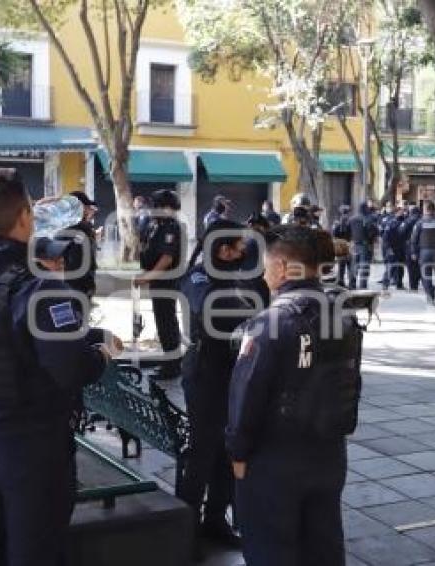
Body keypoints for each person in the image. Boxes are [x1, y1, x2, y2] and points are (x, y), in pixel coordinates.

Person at [0, 169, 118, 566]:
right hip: (31, 444)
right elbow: (69, 370)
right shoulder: (42, 287)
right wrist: (102, 352)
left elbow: (6, 337)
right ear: (25, 216)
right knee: (35, 549)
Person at [227, 225, 362, 566]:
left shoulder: (270, 323)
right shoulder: (343, 315)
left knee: (270, 549)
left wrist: (238, 455)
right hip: (330, 453)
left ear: (283, 268)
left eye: (267, 263)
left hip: (275, 460)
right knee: (323, 548)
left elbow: (246, 397)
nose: (262, 270)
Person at [177, 219, 261, 554]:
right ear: (222, 251)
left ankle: (215, 519)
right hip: (205, 375)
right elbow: (210, 307)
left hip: (232, 373)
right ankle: (186, 529)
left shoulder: (236, 276)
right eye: (239, 245)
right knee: (202, 452)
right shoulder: (198, 276)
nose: (244, 251)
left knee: (227, 450)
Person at [135, 189, 184, 380]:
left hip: (166, 281)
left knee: (167, 322)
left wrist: (147, 277)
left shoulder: (170, 227)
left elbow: (167, 258)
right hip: (158, 280)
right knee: (163, 321)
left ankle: (172, 365)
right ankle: (169, 360)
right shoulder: (157, 224)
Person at [60, 190, 100, 300]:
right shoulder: (79, 228)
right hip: (77, 285)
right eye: (86, 207)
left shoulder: (65, 225)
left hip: (74, 284)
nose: (88, 210)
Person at [411, 201, 435, 305]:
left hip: (424, 253)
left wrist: (414, 252)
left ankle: (430, 298)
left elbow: (414, 239)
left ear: (426, 210)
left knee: (426, 276)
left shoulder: (420, 223)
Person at [348, 202, 377, 289]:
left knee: (354, 265)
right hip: (365, 245)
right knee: (364, 266)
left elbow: (347, 230)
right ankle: (363, 285)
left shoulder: (352, 219)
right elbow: (371, 232)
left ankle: (352, 284)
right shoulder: (367, 219)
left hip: (354, 244)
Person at [381, 207, 406, 291]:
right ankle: (385, 284)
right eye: (401, 212)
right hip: (392, 248)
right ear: (396, 213)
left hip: (401, 248)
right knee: (390, 267)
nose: (402, 213)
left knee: (400, 267)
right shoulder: (391, 223)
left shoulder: (404, 222)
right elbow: (386, 237)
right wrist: (388, 248)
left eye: (403, 212)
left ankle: (399, 284)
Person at [399, 204, 422, 291]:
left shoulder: (408, 221)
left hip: (410, 245)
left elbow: (401, 232)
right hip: (421, 246)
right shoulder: (422, 220)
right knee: (419, 265)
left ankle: (413, 285)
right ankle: (419, 279)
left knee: (411, 266)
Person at [331, 204, 352, 287]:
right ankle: (351, 283)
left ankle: (341, 282)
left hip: (340, 246)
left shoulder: (336, 223)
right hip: (349, 245)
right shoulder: (351, 221)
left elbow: (334, 234)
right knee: (350, 266)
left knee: (341, 266)